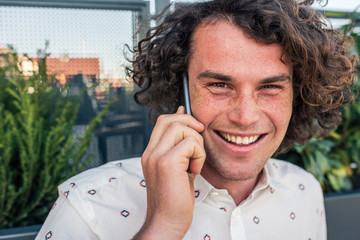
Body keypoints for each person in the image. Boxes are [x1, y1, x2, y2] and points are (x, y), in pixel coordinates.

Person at [36, 0, 357, 239]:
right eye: (219, 85)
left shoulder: (304, 190)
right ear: (181, 88)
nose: (245, 117)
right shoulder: (88, 206)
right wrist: (161, 227)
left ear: (296, 95)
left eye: (270, 87)